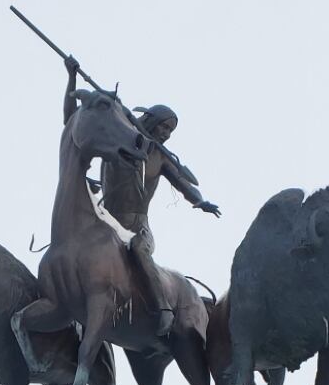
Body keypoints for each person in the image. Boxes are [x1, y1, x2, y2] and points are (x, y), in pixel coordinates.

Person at [63, 58, 221, 336]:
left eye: (170, 132)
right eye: (164, 128)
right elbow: (72, 121)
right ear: (151, 121)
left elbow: (184, 185)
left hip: (137, 227)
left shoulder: (160, 157)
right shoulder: (118, 138)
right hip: (105, 223)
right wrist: (72, 78)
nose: (166, 135)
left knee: (138, 248)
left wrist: (200, 201)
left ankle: (162, 309)